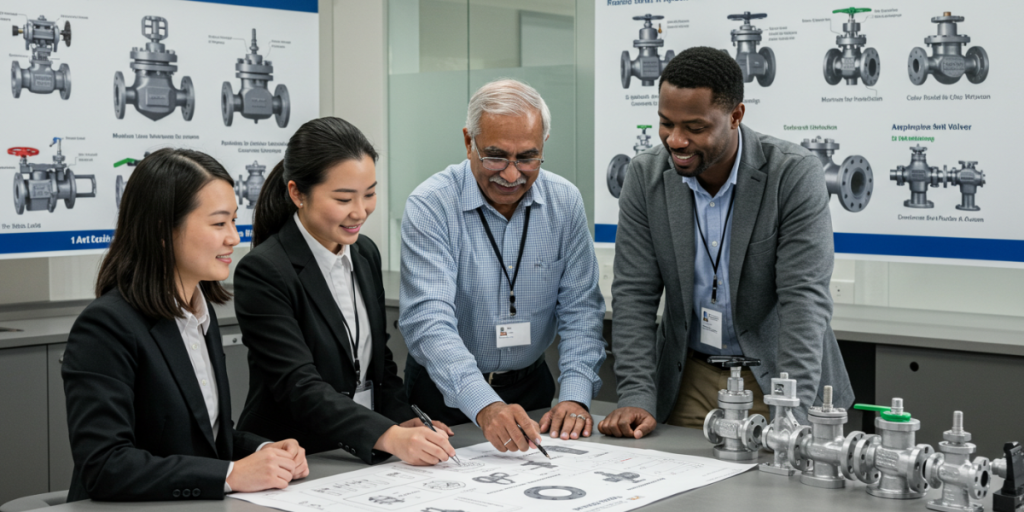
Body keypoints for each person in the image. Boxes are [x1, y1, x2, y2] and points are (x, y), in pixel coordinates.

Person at [599, 47, 853, 439]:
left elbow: (804, 300)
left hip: (779, 379)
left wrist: (793, 414)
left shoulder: (792, 173)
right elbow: (634, 294)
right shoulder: (644, 176)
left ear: (736, 116)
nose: (676, 140)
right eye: (666, 124)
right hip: (689, 380)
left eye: (695, 127)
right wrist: (636, 394)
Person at [63, 149, 309, 502]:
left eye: (234, 221)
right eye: (218, 223)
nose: (233, 238)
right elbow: (105, 465)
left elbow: (204, 438)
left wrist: (266, 450)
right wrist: (232, 474)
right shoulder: (106, 326)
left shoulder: (199, 314)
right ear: (163, 230)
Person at [399, 79, 607, 453]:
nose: (511, 175)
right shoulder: (431, 205)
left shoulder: (565, 203)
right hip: (445, 395)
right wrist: (485, 404)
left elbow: (581, 310)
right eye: (495, 156)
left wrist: (575, 396)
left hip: (532, 389)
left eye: (527, 158)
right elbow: (428, 320)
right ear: (468, 142)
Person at [234, 117, 456, 466]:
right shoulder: (264, 271)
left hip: (361, 450)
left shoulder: (364, 253)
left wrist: (399, 417)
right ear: (297, 193)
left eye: (369, 194)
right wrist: (390, 435)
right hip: (296, 455)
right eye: (342, 198)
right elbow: (299, 386)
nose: (360, 211)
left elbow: (377, 362)